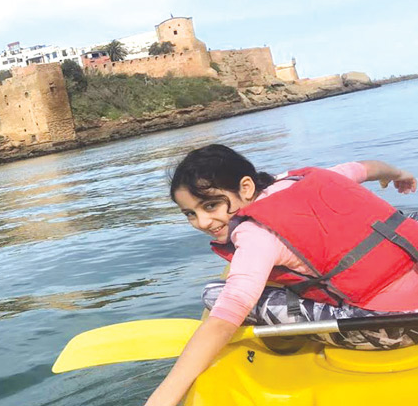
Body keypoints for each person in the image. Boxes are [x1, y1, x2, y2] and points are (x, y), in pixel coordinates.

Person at [145, 144, 418, 406]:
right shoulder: (308, 179)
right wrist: (399, 175)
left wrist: (160, 400)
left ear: (246, 187)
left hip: (392, 328)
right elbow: (369, 168)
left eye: (210, 206)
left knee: (215, 294)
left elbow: (223, 322)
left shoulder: (254, 235)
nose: (202, 222)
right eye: (190, 214)